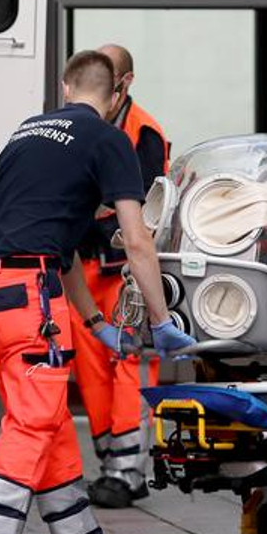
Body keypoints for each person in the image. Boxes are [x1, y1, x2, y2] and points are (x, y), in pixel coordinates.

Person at [0, 50, 196, 534]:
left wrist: (92, 322)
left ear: (66, 88)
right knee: (32, 422)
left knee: (51, 418)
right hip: (28, 288)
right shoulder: (110, 139)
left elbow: (58, 241)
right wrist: (161, 320)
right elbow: (138, 240)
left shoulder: (28, 131)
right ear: (115, 97)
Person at [71, 44, 170, 509]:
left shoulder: (144, 131)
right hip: (85, 265)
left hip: (123, 272)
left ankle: (128, 471)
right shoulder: (87, 123)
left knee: (128, 364)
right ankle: (112, 465)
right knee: (91, 370)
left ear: (125, 84)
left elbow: (145, 203)